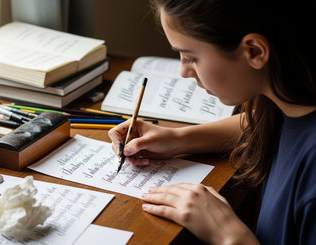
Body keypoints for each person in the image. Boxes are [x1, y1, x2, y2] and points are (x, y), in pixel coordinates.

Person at [108, 1, 316, 244]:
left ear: (255, 52)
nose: (184, 71)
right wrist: (178, 139)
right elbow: (256, 123)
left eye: (191, 57)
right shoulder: (286, 100)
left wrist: (229, 235)